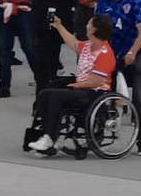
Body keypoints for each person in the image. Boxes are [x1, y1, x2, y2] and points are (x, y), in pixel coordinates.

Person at [25, 12, 117, 154]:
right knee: (44, 93)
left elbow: (97, 80)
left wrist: (76, 86)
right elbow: (73, 42)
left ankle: (50, 138)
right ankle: (48, 133)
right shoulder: (88, 46)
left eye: (89, 24)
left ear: (94, 30)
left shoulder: (105, 53)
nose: (86, 26)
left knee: (56, 96)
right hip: (82, 87)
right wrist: (58, 25)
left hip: (94, 92)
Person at [94, 0, 141, 155]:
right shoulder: (103, 1)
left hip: (136, 51)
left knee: (140, 99)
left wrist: (133, 51)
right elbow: (96, 29)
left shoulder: (134, 0)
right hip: (112, 52)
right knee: (100, 92)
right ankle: (98, 134)